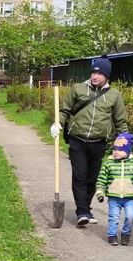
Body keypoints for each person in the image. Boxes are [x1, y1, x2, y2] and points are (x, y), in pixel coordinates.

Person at [50, 56, 128, 226]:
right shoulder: (78, 89)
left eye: (99, 74)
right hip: (77, 140)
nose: (95, 76)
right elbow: (65, 110)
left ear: (107, 76)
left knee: (92, 179)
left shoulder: (114, 95)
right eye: (93, 72)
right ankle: (82, 211)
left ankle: (85, 207)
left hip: (99, 142)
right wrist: (57, 123)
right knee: (79, 176)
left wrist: (126, 146)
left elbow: (121, 122)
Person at [95, 133, 133, 246]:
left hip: (129, 198)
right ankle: (112, 235)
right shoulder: (109, 163)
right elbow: (102, 179)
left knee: (131, 216)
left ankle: (125, 234)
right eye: (114, 149)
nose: (116, 152)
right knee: (114, 217)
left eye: (120, 149)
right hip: (114, 197)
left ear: (128, 151)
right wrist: (100, 191)